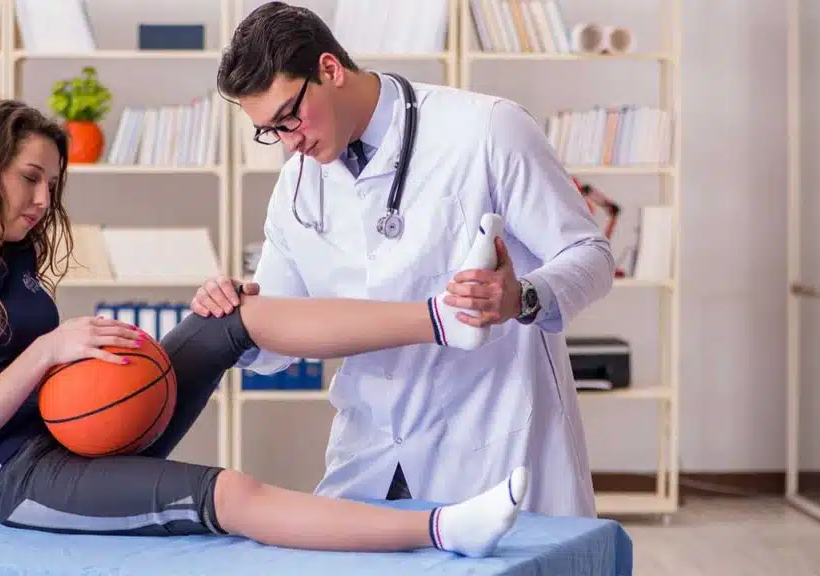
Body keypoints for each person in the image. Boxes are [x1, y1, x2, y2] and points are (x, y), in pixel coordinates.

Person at [0, 99, 529, 559]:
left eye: (52, 183)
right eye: (30, 179)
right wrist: (50, 349)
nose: (45, 200)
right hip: (29, 479)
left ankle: (444, 319)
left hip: (83, 429)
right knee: (229, 492)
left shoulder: (9, 250)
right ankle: (444, 531)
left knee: (230, 316)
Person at [199, 2, 616, 518]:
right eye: (270, 131)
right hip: (371, 450)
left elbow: (590, 254)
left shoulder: (485, 128)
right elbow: (275, 342)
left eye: (290, 117)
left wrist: (523, 297)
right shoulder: (297, 187)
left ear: (329, 69)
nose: (290, 142)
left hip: (490, 440)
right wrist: (234, 317)